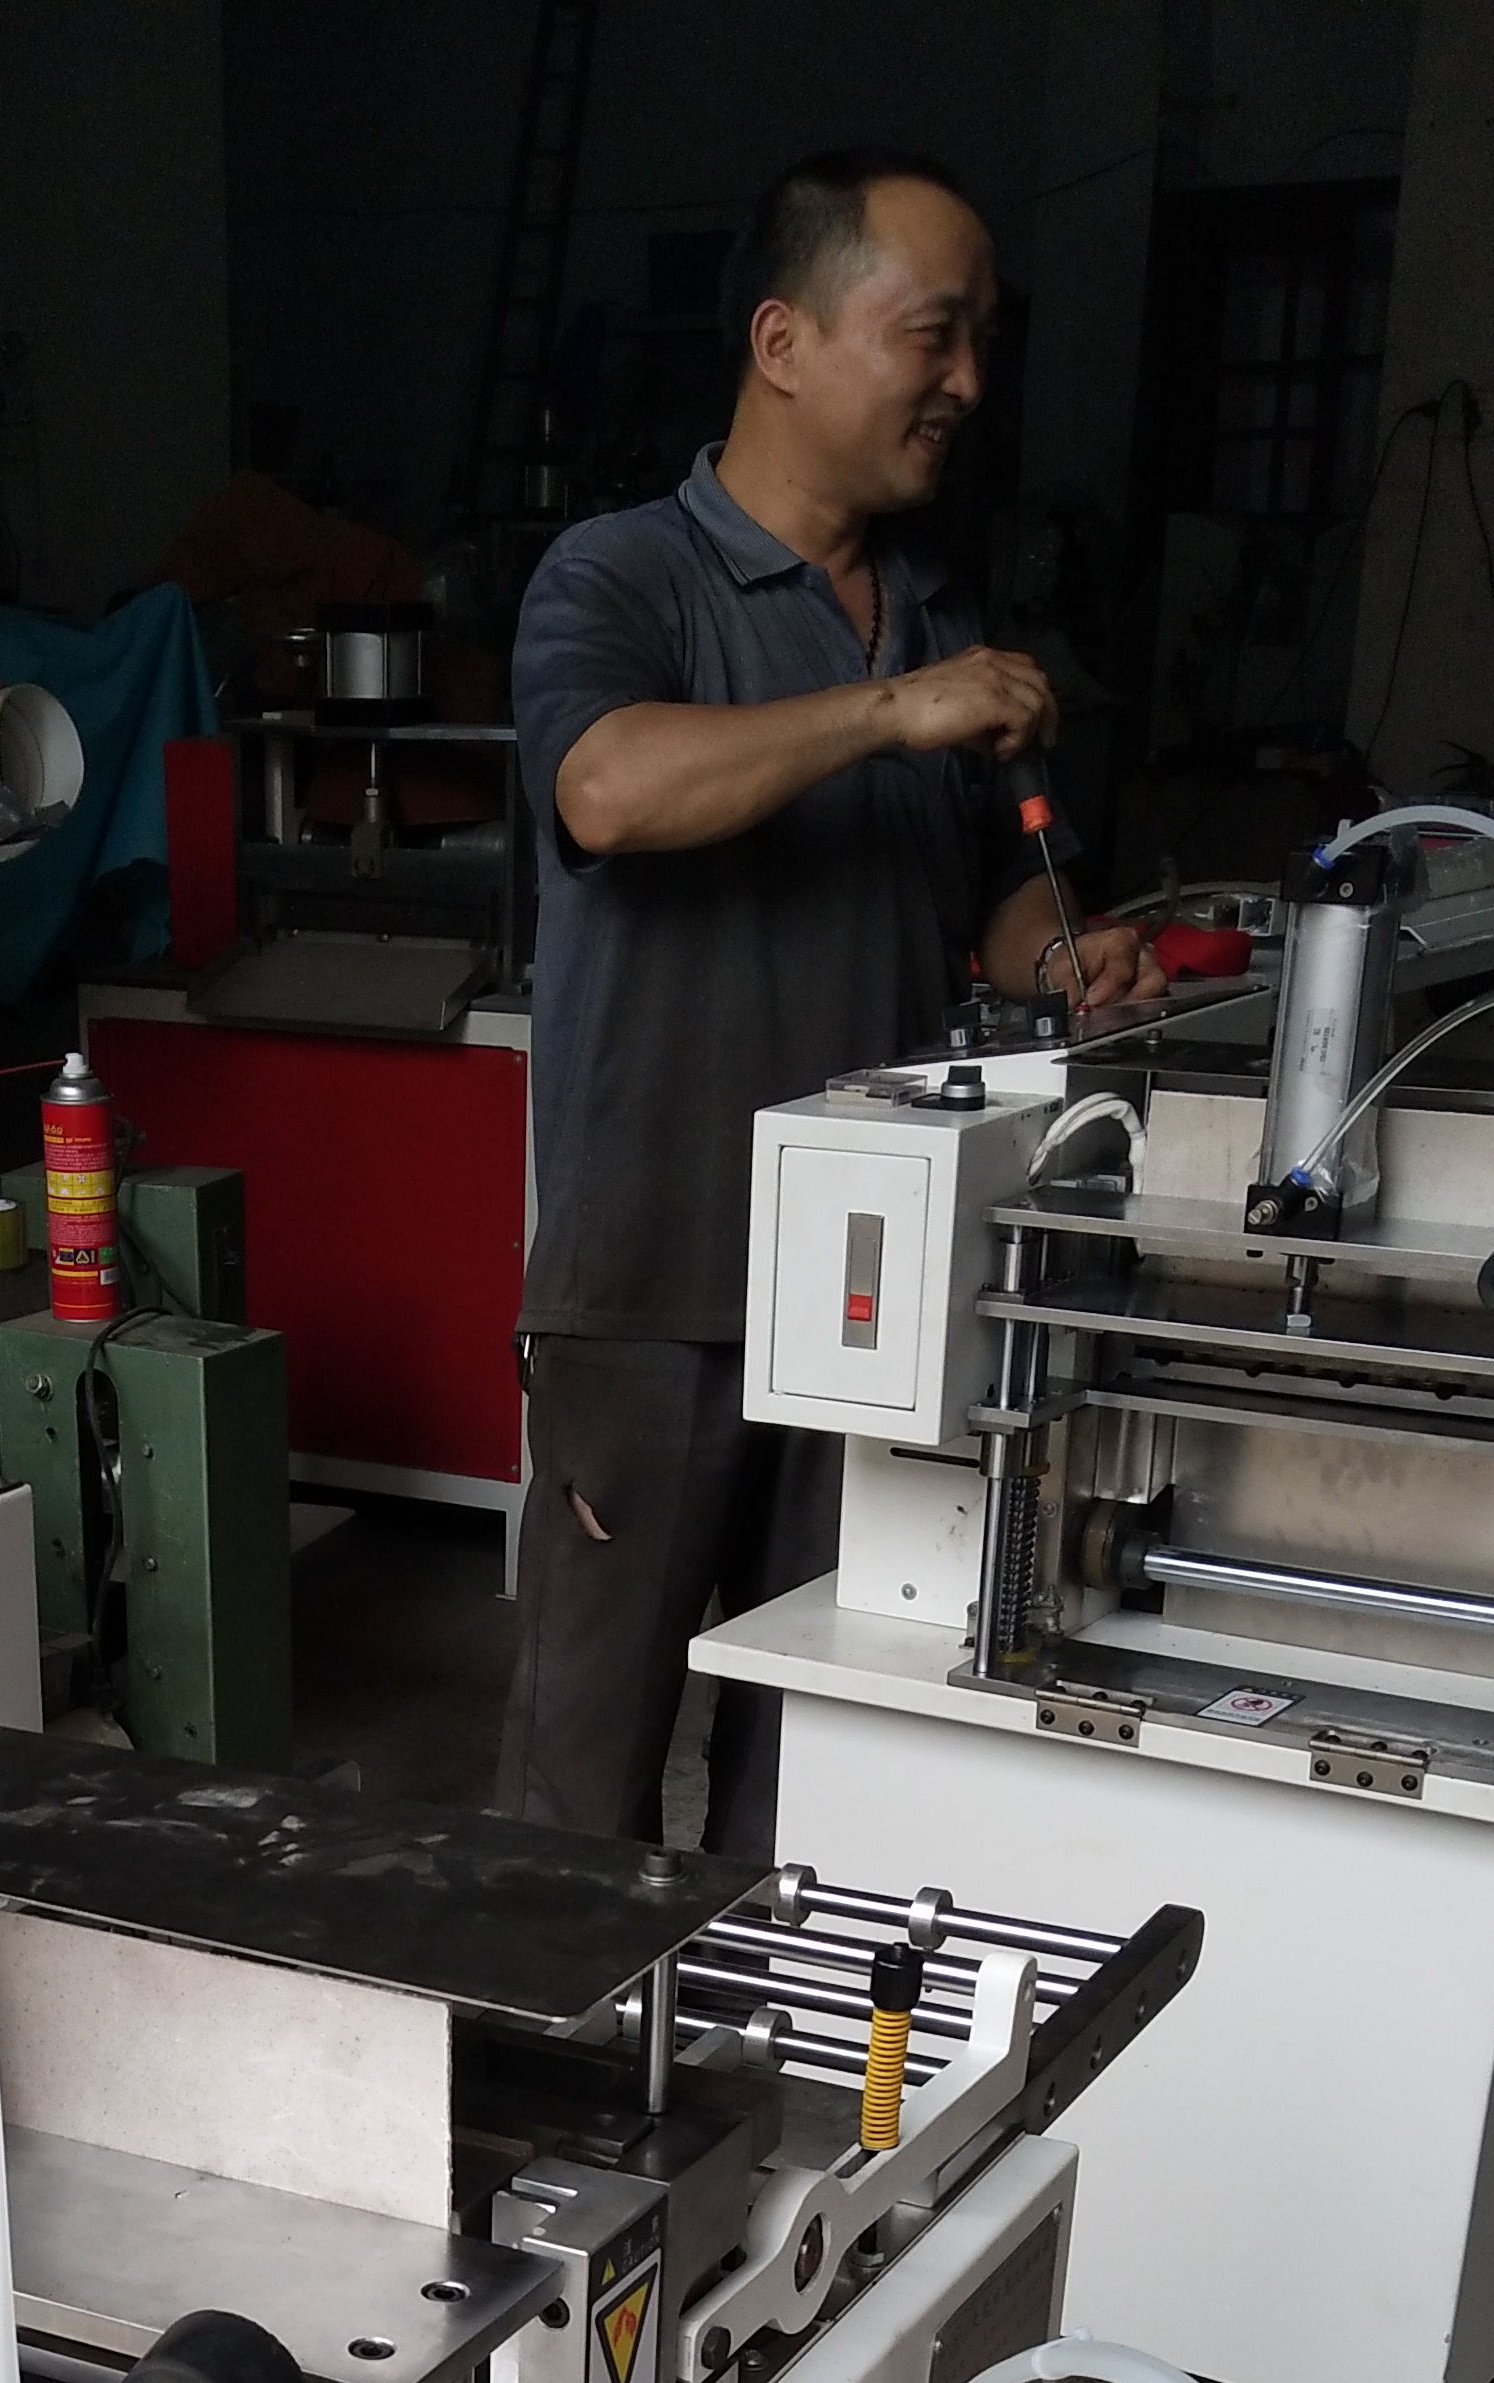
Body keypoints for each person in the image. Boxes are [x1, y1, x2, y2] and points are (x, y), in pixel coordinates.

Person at [495, 146, 1164, 1853]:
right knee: (582, 1773)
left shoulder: (938, 614)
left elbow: (994, 896)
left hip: (878, 1283)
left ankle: (762, 2019)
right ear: (784, 342)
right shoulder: (622, 577)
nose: (968, 382)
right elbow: (607, 790)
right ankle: (545, 2028)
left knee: (817, 1760)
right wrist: (887, 713)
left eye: (983, 341)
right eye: (934, 334)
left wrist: (1063, 951)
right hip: (656, 1285)